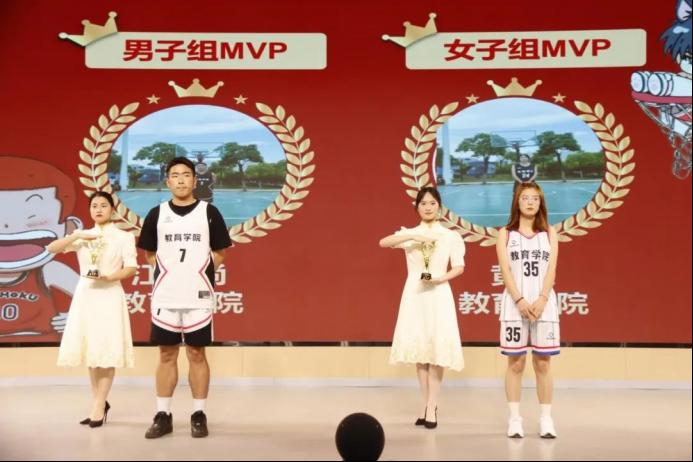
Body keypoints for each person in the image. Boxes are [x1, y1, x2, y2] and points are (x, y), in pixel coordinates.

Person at [138, 157, 231, 439]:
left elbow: (220, 252)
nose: (180, 179)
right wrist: (172, 275)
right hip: (165, 296)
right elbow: (150, 253)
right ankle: (163, 415)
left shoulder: (209, 212)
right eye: (175, 175)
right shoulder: (156, 214)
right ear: (168, 182)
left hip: (198, 296)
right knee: (166, 354)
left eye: (186, 174)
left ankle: (198, 414)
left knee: (196, 353)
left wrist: (195, 274)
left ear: (194, 180)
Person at [379, 186, 466, 430]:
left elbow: (459, 267)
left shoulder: (450, 236)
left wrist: (440, 278)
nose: (428, 207)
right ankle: (426, 404)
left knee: (436, 351)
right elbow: (383, 242)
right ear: (417, 207)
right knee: (421, 353)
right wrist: (413, 237)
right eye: (423, 203)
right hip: (415, 294)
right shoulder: (410, 234)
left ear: (440, 207)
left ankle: (432, 405)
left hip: (438, 293)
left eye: (432, 203)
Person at [49, 191, 137, 428]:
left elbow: (131, 267)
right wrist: (76, 235)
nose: (98, 209)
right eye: (94, 206)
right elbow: (52, 248)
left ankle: (98, 406)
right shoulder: (83, 236)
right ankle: (99, 402)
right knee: (92, 351)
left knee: (106, 350)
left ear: (112, 210)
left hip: (109, 293)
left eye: (103, 205)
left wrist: (110, 277)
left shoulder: (123, 237)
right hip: (86, 294)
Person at [495, 181, 559, 439]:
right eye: (525, 198)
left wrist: (542, 299)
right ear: (517, 202)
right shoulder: (505, 234)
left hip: (545, 304)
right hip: (514, 304)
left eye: (535, 198)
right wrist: (520, 300)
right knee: (516, 362)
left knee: (543, 363)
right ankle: (514, 419)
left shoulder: (550, 233)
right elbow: (505, 271)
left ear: (541, 202)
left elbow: (552, 270)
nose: (530, 202)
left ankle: (546, 419)